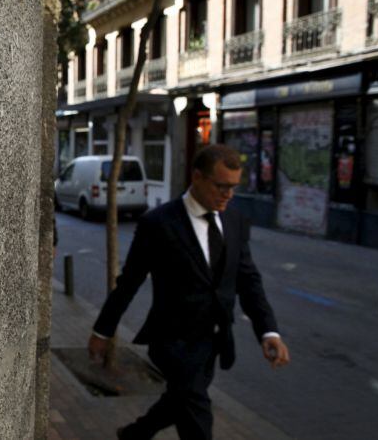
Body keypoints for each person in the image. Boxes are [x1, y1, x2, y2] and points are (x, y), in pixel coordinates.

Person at [88, 144, 289, 440]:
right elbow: (129, 282)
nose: (228, 195)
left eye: (234, 187)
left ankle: (135, 433)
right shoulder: (158, 223)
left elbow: (248, 280)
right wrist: (103, 331)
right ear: (197, 177)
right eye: (221, 186)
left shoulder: (234, 220)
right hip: (172, 341)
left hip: (213, 339)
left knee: (180, 399)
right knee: (196, 412)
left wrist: (268, 331)